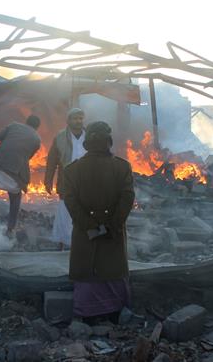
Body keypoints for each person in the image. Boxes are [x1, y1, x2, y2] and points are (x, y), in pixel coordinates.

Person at [62, 121, 135, 325]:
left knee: (87, 270)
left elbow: (71, 202)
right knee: (112, 268)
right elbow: (127, 199)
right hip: (113, 233)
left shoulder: (71, 170)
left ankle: (87, 313)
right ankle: (114, 311)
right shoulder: (122, 167)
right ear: (108, 142)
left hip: (85, 234)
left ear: (87, 144)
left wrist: (90, 226)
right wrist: (112, 226)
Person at [44, 108, 86, 250]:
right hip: (67, 180)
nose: (78, 121)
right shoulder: (60, 137)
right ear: (68, 121)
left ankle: (83, 244)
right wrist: (48, 179)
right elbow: (52, 160)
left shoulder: (90, 136)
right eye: (75, 118)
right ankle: (61, 244)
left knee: (86, 211)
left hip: (86, 181)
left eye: (80, 118)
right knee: (64, 212)